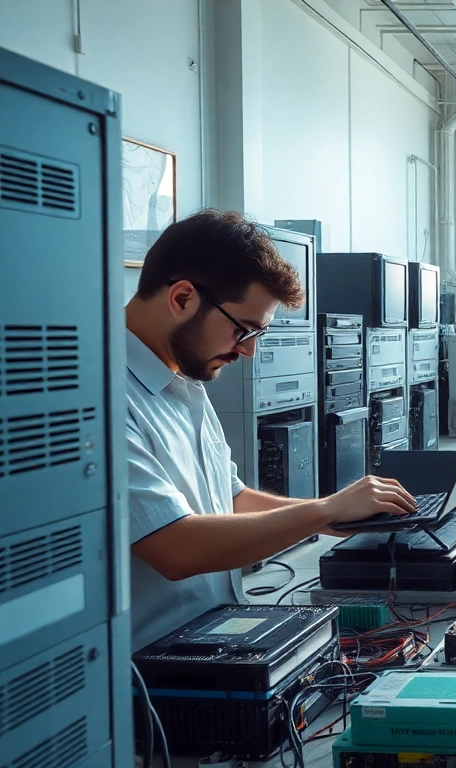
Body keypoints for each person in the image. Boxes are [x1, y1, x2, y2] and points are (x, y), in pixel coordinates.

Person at [124, 210, 417, 651]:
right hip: (142, 677)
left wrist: (329, 513)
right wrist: (321, 512)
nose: (248, 351)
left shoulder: (182, 378)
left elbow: (233, 498)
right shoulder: (97, 397)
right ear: (182, 298)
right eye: (243, 329)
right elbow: (174, 547)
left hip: (209, 641)